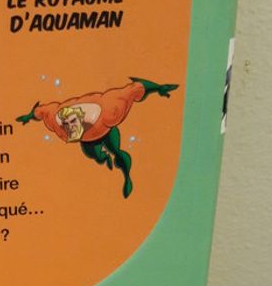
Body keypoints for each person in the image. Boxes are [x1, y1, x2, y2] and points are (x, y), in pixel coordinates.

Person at [16, 77, 178, 198]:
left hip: (106, 131)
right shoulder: (55, 120)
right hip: (88, 140)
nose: (70, 128)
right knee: (96, 155)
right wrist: (28, 116)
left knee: (117, 152)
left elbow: (135, 88)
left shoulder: (110, 108)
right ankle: (104, 157)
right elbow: (40, 111)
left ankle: (126, 176)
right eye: (66, 124)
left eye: (73, 123)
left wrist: (158, 88)